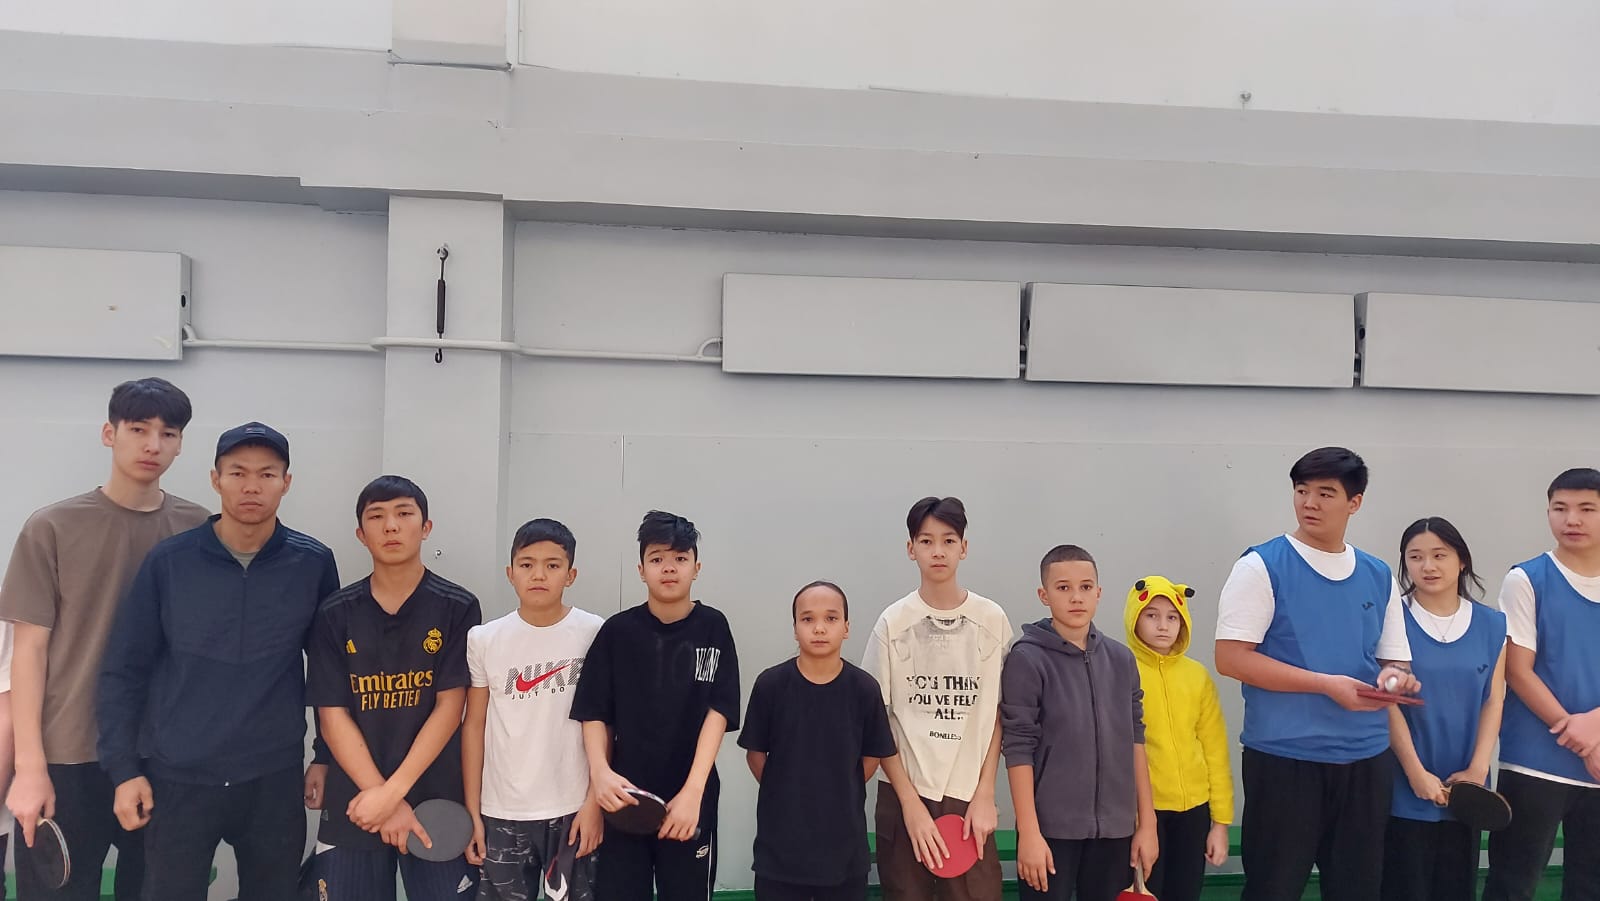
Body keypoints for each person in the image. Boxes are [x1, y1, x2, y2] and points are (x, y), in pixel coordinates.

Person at [96, 421, 339, 901]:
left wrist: (325, 756)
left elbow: (330, 671)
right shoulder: (170, 562)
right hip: (179, 775)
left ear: (286, 482)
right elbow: (124, 670)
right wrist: (124, 770)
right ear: (216, 479)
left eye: (267, 474)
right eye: (238, 473)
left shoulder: (312, 563)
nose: (252, 486)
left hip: (272, 775)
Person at [0, 378, 208, 901]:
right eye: (138, 429)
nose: (152, 444)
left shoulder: (200, 530)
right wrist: (29, 768)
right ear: (109, 433)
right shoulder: (51, 526)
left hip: (160, 757)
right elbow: (27, 654)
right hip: (67, 755)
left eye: (167, 433)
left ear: (180, 444)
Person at [1214, 446, 1421, 901]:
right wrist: (1324, 685)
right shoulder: (1260, 566)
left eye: (1326, 493)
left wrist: (1394, 683)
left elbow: (1393, 662)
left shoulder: (1377, 574)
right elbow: (1230, 658)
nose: (1309, 503)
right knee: (1274, 888)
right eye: (1302, 490)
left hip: (1366, 760)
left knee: (1357, 888)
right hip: (1285, 758)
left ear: (1354, 502)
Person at [305, 475, 483, 899]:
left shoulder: (457, 606)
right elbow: (332, 717)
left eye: (404, 514)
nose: (391, 526)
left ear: (426, 527)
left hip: (436, 801)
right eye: (377, 517)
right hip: (356, 802)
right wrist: (380, 798)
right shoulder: (334, 613)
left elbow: (451, 708)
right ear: (360, 534)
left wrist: (393, 794)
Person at [570, 511, 741, 901]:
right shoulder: (617, 632)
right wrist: (601, 778)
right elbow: (594, 712)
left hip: (689, 798)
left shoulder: (713, 627)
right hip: (624, 798)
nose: (669, 568)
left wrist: (694, 791)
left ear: (696, 568)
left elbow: (719, 712)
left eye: (680, 558)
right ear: (641, 569)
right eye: (657, 558)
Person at [864, 496, 1012, 901]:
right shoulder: (892, 623)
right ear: (910, 548)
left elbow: (1000, 714)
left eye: (948, 540)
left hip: (969, 796)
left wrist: (986, 793)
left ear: (964, 547)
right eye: (926, 541)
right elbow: (876, 721)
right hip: (904, 794)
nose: (938, 551)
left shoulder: (992, 620)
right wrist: (909, 804)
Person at [1002, 545, 1157, 901]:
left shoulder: (1121, 659)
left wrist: (1146, 824)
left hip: (1115, 830)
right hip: (1050, 832)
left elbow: (1136, 741)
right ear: (1044, 595)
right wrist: (1029, 832)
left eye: (1085, 587)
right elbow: (1018, 746)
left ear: (1098, 593)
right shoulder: (1027, 659)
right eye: (1063, 587)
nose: (1076, 597)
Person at [464, 518, 603, 901]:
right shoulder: (484, 639)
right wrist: (473, 810)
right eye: (526, 564)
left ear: (570, 575)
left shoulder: (594, 632)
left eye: (552, 565)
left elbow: (606, 724)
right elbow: (474, 726)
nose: (538, 574)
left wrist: (595, 803)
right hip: (502, 809)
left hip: (574, 807)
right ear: (510, 573)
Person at [739, 581, 898, 901]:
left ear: (846, 627)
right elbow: (755, 754)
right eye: (808, 619)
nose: (820, 628)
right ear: (795, 628)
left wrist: (842, 787)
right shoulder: (771, 685)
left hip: (844, 852)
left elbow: (872, 756)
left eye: (831, 618)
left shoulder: (864, 689)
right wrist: (783, 789)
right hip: (779, 852)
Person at [1484, 468, 1600, 901]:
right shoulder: (1527, 579)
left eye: (1587, 509)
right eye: (1560, 508)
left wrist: (1596, 725)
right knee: (1513, 883)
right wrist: (1584, 740)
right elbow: (1518, 670)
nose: (1572, 519)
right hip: (1534, 762)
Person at [1382, 517, 1506, 901]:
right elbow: (1387, 703)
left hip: (1464, 790)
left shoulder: (1492, 624)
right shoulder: (1391, 621)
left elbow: (1493, 699)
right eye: (1415, 557)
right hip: (1403, 786)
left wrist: (1478, 770)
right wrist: (1416, 773)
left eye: (1440, 555)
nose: (1428, 566)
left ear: (1461, 561)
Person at [1124, 575, 1232, 901]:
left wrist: (1220, 823)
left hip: (1194, 811)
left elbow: (1215, 750)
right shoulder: (1121, 671)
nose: (1163, 625)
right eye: (1152, 615)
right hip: (1142, 812)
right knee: (1147, 894)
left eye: (1173, 617)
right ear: (1134, 618)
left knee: (1185, 892)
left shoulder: (1197, 676)